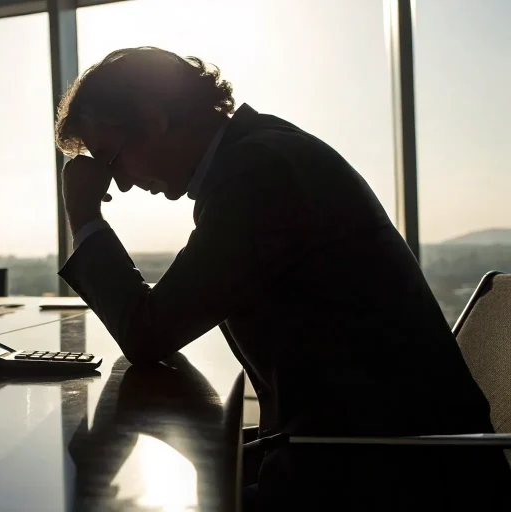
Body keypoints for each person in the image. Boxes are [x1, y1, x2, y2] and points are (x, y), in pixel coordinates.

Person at [54, 47, 509, 507]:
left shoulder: (257, 174)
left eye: (111, 159)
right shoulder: (264, 152)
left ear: (154, 119)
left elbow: (147, 331)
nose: (121, 183)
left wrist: (85, 215)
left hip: (392, 477)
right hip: (379, 451)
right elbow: (169, 315)